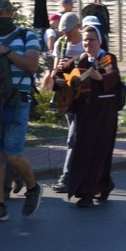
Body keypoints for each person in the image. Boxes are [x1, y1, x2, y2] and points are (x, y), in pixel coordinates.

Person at [0, 0, 43, 223]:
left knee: (13, 156)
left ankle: (33, 186)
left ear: (12, 13)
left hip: (18, 101)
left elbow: (32, 65)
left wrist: (5, 51)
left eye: (3, 13)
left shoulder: (27, 36)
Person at [57, 26, 120, 207]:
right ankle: (104, 184)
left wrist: (100, 78)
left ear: (99, 41)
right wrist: (61, 81)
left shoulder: (106, 58)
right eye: (85, 39)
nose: (88, 43)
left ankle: (88, 193)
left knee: (99, 150)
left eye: (92, 39)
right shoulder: (80, 59)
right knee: (82, 150)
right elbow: (60, 73)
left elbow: (113, 75)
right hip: (84, 111)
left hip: (103, 111)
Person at [50, 12, 85, 193]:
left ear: (77, 26)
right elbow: (55, 69)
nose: (66, 35)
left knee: (74, 137)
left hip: (84, 96)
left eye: (69, 31)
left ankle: (67, 177)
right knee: (75, 137)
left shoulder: (86, 42)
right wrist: (57, 78)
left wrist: (75, 75)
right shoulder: (61, 43)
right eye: (64, 31)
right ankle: (77, 175)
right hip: (67, 96)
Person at [40, 13, 61, 91]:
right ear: (55, 21)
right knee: (50, 72)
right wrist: (53, 54)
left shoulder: (50, 30)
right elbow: (50, 43)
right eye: (59, 21)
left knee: (49, 72)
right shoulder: (51, 31)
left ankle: (45, 90)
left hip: (48, 54)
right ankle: (45, 90)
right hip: (50, 55)